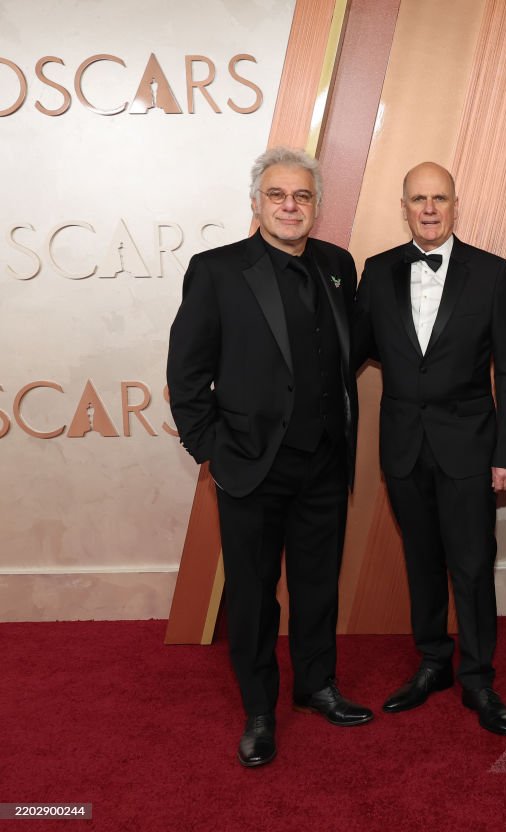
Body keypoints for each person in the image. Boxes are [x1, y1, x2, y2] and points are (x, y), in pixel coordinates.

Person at [167, 147, 371, 768]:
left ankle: (317, 686)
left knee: (317, 586)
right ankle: (260, 708)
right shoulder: (217, 271)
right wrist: (213, 452)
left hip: (325, 462)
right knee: (254, 594)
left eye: (302, 196)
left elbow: (348, 353)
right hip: (251, 465)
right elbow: (187, 372)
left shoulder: (338, 264)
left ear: (315, 206)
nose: (290, 206)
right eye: (278, 195)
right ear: (256, 202)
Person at [354, 162, 506, 736]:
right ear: (404, 207)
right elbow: (349, 354)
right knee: (421, 561)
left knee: (473, 566)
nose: (429, 209)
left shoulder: (492, 272)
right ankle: (434, 661)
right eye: (418, 199)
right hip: (403, 446)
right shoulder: (376, 272)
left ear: (456, 204)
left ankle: (478, 677)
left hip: (471, 446)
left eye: (440, 198)